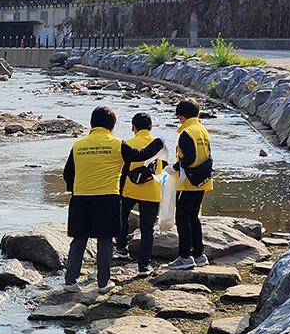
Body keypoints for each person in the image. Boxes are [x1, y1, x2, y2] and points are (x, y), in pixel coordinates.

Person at [61, 106, 125, 290]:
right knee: (105, 240)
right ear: (112, 124)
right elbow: (139, 157)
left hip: (81, 198)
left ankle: (70, 281)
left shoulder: (78, 145)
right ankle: (103, 283)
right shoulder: (118, 144)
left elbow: (68, 173)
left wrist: (76, 189)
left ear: (92, 123)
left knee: (79, 239)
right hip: (107, 198)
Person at [119, 113, 167, 278]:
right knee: (148, 229)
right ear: (151, 127)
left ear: (134, 127)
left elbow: (122, 169)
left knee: (122, 216)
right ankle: (144, 265)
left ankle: (121, 248)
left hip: (130, 189)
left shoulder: (128, 143)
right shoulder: (159, 145)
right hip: (152, 191)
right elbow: (166, 168)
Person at [169, 99, 214, 268]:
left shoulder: (187, 132)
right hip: (202, 180)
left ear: (181, 116)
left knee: (182, 217)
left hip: (189, 181)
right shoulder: (202, 130)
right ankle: (199, 255)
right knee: (194, 217)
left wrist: (174, 168)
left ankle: (185, 257)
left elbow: (190, 157)